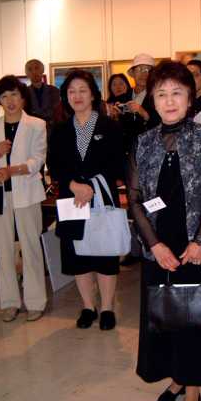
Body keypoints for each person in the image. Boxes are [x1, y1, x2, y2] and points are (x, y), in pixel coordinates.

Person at [127, 60, 201, 401]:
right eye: (161, 94)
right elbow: (134, 198)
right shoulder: (142, 142)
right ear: (152, 99)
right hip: (159, 244)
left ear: (190, 97)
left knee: (194, 317)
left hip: (195, 243)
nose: (169, 101)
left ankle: (192, 386)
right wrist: (154, 245)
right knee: (164, 315)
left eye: (177, 93)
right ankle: (176, 378)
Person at [50, 70, 123, 330]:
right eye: (71, 91)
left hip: (102, 196)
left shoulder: (110, 126)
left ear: (93, 94)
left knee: (104, 255)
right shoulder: (59, 130)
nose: (77, 96)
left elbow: (118, 164)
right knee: (78, 257)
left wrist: (91, 185)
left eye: (83, 90)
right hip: (72, 200)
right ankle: (88, 307)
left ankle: (107, 308)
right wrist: (73, 185)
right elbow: (54, 165)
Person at [0, 76, 47, 322]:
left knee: (31, 248)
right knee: (2, 250)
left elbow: (38, 160)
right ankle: (9, 302)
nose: (10, 101)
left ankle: (35, 302)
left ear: (23, 97)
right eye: (4, 96)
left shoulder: (36, 124)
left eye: (14, 94)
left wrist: (12, 170)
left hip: (27, 194)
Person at [25, 59, 61, 127]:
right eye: (30, 69)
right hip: (31, 128)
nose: (34, 72)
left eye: (36, 68)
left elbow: (56, 112)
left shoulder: (54, 91)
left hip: (52, 128)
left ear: (42, 70)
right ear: (26, 73)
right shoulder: (24, 92)